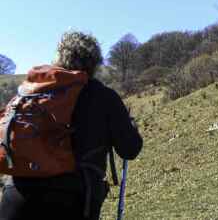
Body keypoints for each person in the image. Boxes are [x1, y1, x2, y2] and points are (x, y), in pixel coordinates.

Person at [0, 31, 143, 220]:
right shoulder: (102, 95)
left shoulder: (31, 94)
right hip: (71, 201)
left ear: (59, 59)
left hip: (16, 198)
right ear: (95, 62)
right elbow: (130, 150)